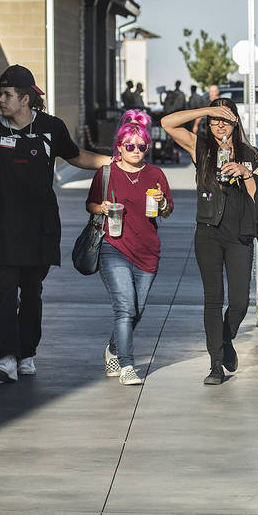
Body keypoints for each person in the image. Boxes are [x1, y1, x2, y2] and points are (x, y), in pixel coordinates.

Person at [0, 64, 110, 383]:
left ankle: (27, 354)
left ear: (25, 99)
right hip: (1, 228)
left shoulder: (51, 128)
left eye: (7, 94)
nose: (1, 99)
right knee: (2, 292)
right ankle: (6, 357)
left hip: (40, 226)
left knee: (31, 292)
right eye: (0, 93)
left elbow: (76, 156)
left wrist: (113, 162)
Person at [161, 97, 258, 386]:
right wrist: (206, 110)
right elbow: (167, 123)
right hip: (208, 232)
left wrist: (245, 173)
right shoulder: (201, 148)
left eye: (225, 118)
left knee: (239, 303)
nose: (220, 124)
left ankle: (225, 339)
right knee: (213, 299)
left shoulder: (250, 154)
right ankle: (216, 364)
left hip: (239, 235)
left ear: (236, 121)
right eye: (215, 120)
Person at [85, 110, 173, 385]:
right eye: (130, 146)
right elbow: (91, 204)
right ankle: (127, 366)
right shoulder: (107, 172)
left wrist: (161, 204)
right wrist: (103, 207)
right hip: (114, 246)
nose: (136, 151)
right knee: (124, 308)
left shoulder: (155, 174)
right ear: (119, 147)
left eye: (141, 146)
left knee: (136, 310)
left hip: (148, 251)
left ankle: (113, 348)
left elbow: (167, 211)